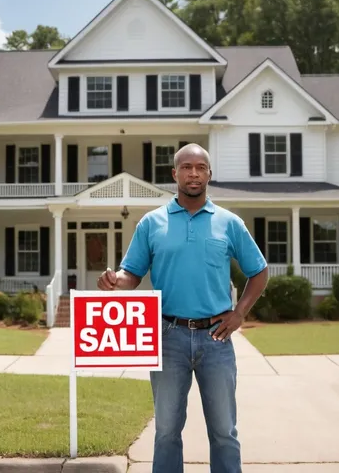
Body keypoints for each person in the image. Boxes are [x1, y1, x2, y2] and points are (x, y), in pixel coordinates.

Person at [97, 143, 268, 473]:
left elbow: (259, 271)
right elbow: (131, 273)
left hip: (216, 341)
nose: (193, 173)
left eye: (200, 167)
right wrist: (114, 281)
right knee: (165, 432)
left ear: (209, 174)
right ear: (174, 174)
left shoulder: (229, 223)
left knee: (224, 432)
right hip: (166, 338)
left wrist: (240, 312)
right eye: (186, 167)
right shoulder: (152, 223)